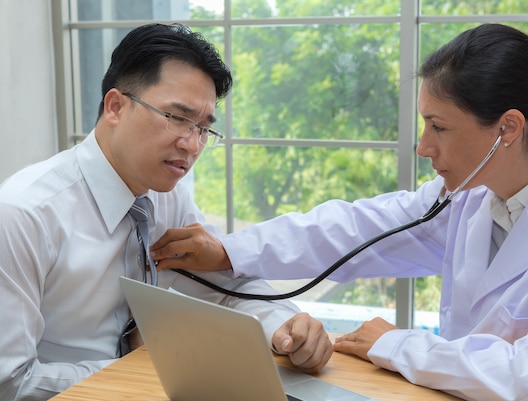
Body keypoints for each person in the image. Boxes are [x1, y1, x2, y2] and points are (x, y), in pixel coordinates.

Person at [150, 23, 528, 400]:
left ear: (507, 129)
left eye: (438, 127)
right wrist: (228, 250)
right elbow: (354, 229)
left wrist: (397, 343)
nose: (423, 147)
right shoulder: (472, 194)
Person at [0, 23, 332, 401]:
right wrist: (145, 367)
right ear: (115, 107)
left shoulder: (165, 196)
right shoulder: (23, 215)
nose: (191, 145)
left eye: (204, 129)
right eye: (177, 118)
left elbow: (225, 286)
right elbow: (10, 382)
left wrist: (286, 326)